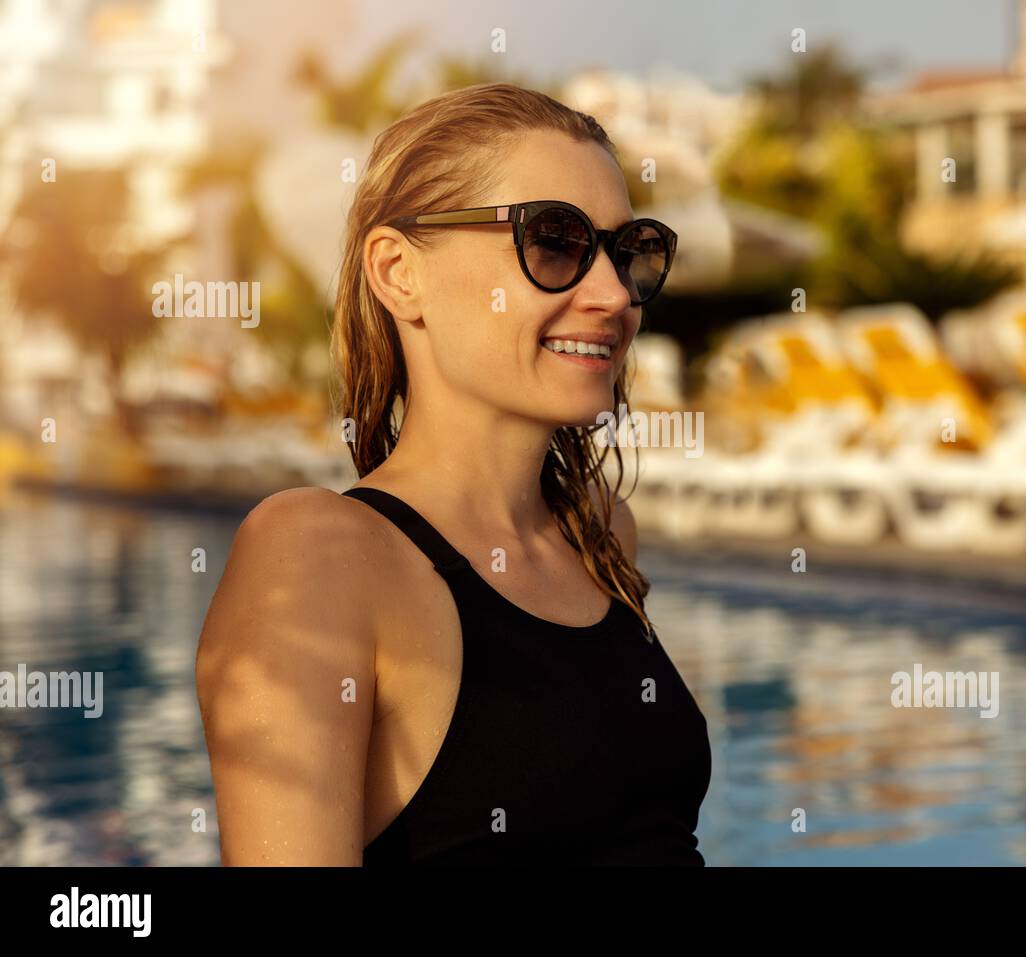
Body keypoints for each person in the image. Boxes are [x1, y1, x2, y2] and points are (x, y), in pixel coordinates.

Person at [195, 83, 712, 866]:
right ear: (401, 273)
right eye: (554, 242)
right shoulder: (318, 556)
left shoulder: (600, 530)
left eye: (628, 250)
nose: (613, 296)